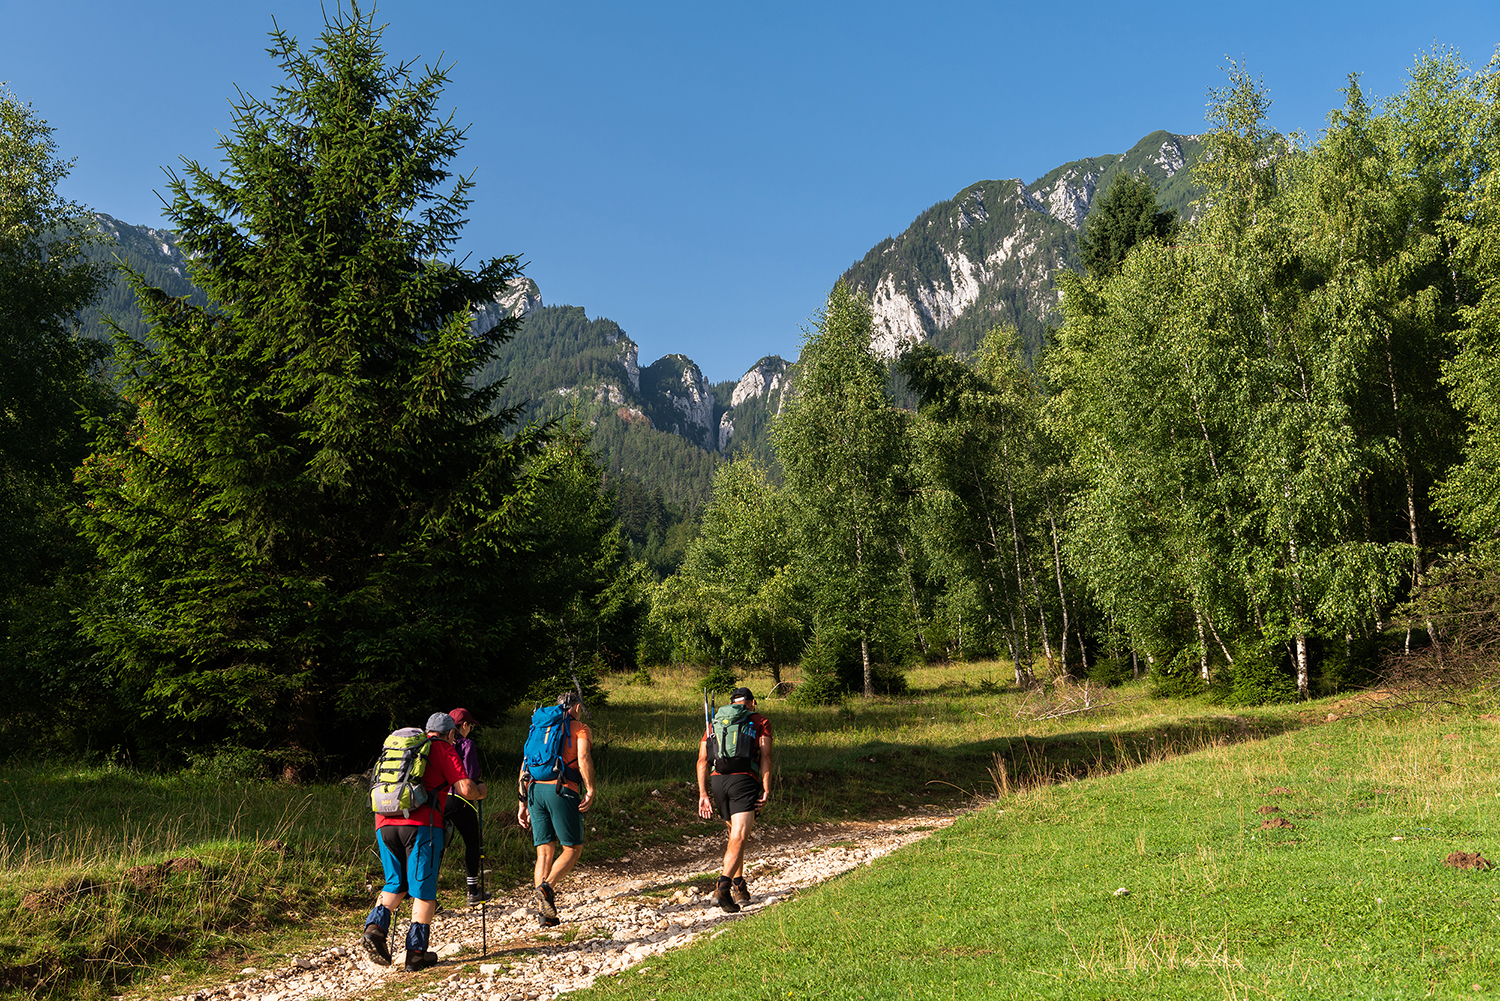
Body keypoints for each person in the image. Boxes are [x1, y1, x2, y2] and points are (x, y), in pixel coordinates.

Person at [360, 713, 486, 972]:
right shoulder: (443, 749)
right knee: (423, 889)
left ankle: (374, 929)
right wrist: (481, 790)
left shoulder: (405, 749)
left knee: (396, 882)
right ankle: (416, 954)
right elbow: (464, 788)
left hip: (384, 822)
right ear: (451, 733)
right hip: (421, 827)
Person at [517, 691, 596, 927]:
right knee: (572, 849)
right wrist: (590, 789)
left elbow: (525, 765)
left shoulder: (539, 728)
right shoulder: (580, 728)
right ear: (576, 707)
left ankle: (545, 914)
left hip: (534, 790)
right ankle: (547, 887)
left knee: (544, 852)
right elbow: (583, 758)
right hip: (561, 789)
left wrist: (522, 802)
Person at [697, 686, 774, 912]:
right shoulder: (760, 721)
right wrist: (766, 789)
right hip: (744, 780)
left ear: (732, 703)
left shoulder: (715, 722)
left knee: (734, 835)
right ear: (751, 702)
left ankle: (740, 887)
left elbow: (702, 759)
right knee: (740, 834)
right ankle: (722, 888)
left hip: (718, 782)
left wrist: (703, 794)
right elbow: (766, 756)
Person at [444, 707, 490, 904]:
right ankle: (473, 891)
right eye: (470, 725)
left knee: (438, 845)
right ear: (464, 725)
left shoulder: (441, 744)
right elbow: (470, 776)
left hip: (440, 799)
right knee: (472, 842)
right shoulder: (467, 744)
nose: (470, 729)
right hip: (461, 799)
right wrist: (479, 788)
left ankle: (427, 895)